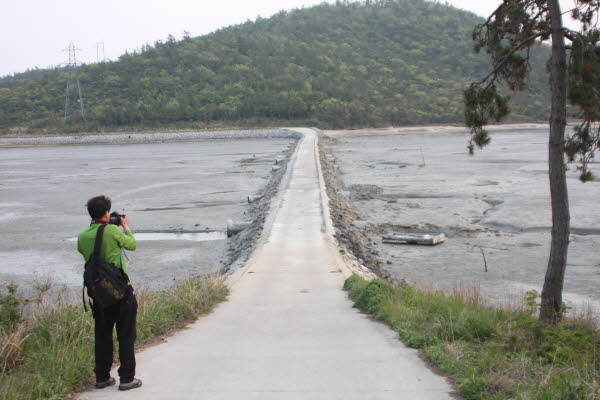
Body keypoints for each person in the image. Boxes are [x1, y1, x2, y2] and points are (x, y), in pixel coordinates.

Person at [77, 195, 142, 391]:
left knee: (103, 335)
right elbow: (132, 245)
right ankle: (127, 379)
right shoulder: (113, 230)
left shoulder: (82, 236)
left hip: (98, 294)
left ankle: (102, 377)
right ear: (106, 213)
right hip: (121, 293)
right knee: (126, 335)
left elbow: (85, 253)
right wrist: (125, 226)